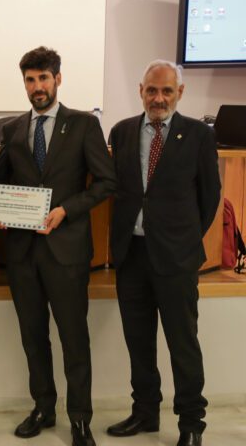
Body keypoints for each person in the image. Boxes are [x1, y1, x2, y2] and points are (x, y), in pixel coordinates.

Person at [0, 46, 115, 446]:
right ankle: (43, 408)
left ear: (57, 79)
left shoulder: (83, 125)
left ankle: (80, 419)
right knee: (33, 338)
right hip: (23, 253)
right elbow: (0, 181)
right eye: (30, 79)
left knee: (74, 339)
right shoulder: (12, 129)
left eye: (43, 78)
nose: (37, 86)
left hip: (67, 251)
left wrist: (66, 210)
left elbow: (106, 182)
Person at [106, 60, 220, 446]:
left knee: (182, 343)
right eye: (152, 90)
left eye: (166, 91)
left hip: (176, 258)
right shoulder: (122, 131)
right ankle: (145, 412)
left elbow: (209, 197)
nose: (158, 98)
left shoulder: (198, 135)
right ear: (141, 90)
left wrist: (183, 238)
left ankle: (191, 423)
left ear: (179, 93)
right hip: (132, 255)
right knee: (139, 342)